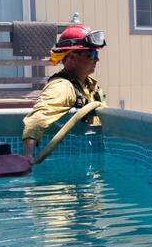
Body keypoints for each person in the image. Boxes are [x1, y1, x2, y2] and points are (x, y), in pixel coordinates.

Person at [22, 23, 107, 160]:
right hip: (76, 163)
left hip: (91, 157)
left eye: (96, 53)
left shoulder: (89, 86)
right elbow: (38, 117)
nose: (97, 59)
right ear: (72, 57)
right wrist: (28, 156)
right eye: (91, 54)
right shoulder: (62, 87)